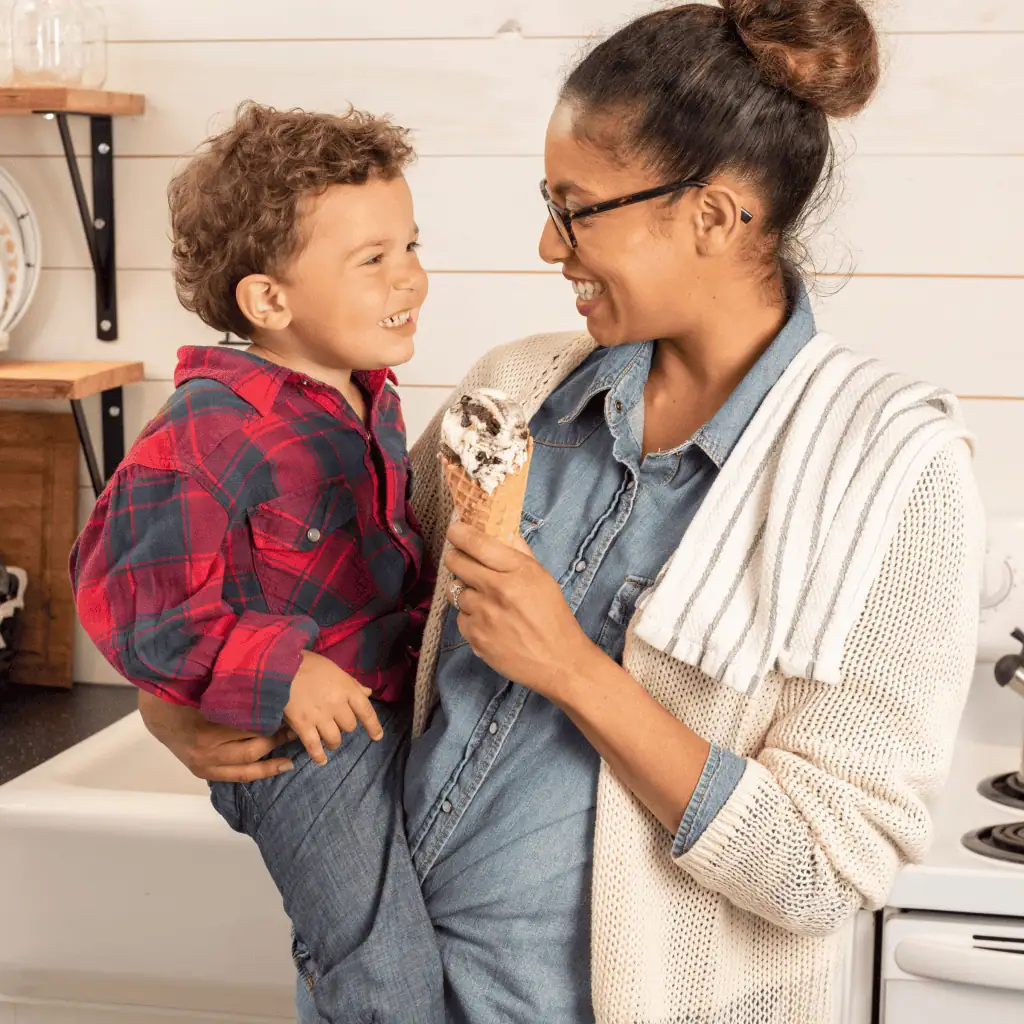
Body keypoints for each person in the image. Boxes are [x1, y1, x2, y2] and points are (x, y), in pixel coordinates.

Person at [135, 3, 984, 1022]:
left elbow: (823, 873)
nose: (548, 244)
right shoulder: (512, 394)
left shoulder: (892, 475)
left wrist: (576, 671)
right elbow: (322, 603)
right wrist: (174, 702)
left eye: (577, 209)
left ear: (713, 217)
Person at [69, 103, 445, 1023]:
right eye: (373, 259)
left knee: (423, 942)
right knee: (383, 974)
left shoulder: (367, 398)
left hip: (382, 712)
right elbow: (129, 602)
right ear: (268, 302)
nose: (412, 277)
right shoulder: (210, 428)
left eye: (410, 245)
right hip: (301, 749)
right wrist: (284, 669)